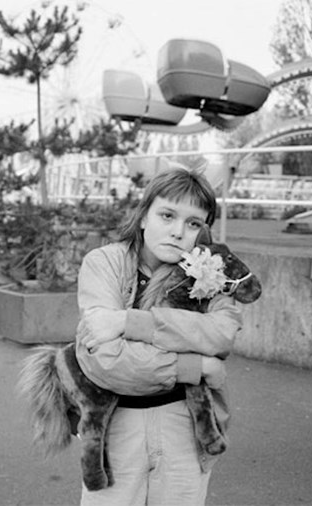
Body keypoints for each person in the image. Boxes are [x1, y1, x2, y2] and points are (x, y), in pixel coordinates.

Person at [74, 168, 243, 506]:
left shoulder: (211, 271)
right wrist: (197, 367)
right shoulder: (104, 263)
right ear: (143, 216)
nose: (179, 232)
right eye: (167, 215)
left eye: (194, 223)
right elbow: (106, 361)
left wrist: (128, 322)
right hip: (117, 423)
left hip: (186, 422)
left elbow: (222, 334)